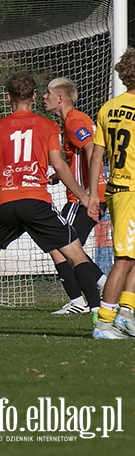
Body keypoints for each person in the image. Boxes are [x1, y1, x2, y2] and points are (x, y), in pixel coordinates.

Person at [0, 72, 101, 333]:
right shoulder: (48, 126)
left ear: (8, 98)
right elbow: (58, 164)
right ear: (34, 97)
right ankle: (95, 314)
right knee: (76, 254)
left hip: (5, 203)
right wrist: (84, 197)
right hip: (36, 201)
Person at [42, 77, 107, 314]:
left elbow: (91, 149)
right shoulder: (76, 119)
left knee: (59, 245)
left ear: (60, 98)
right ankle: (104, 289)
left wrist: (89, 191)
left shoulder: (73, 120)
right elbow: (80, 155)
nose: (44, 97)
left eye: (47, 93)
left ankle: (82, 301)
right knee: (70, 247)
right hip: (92, 194)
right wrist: (59, 176)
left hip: (82, 199)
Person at [87, 47, 135, 339]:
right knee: (124, 258)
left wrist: (94, 194)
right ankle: (104, 322)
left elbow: (96, 157)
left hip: (116, 189)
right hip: (131, 190)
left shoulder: (107, 108)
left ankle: (127, 314)